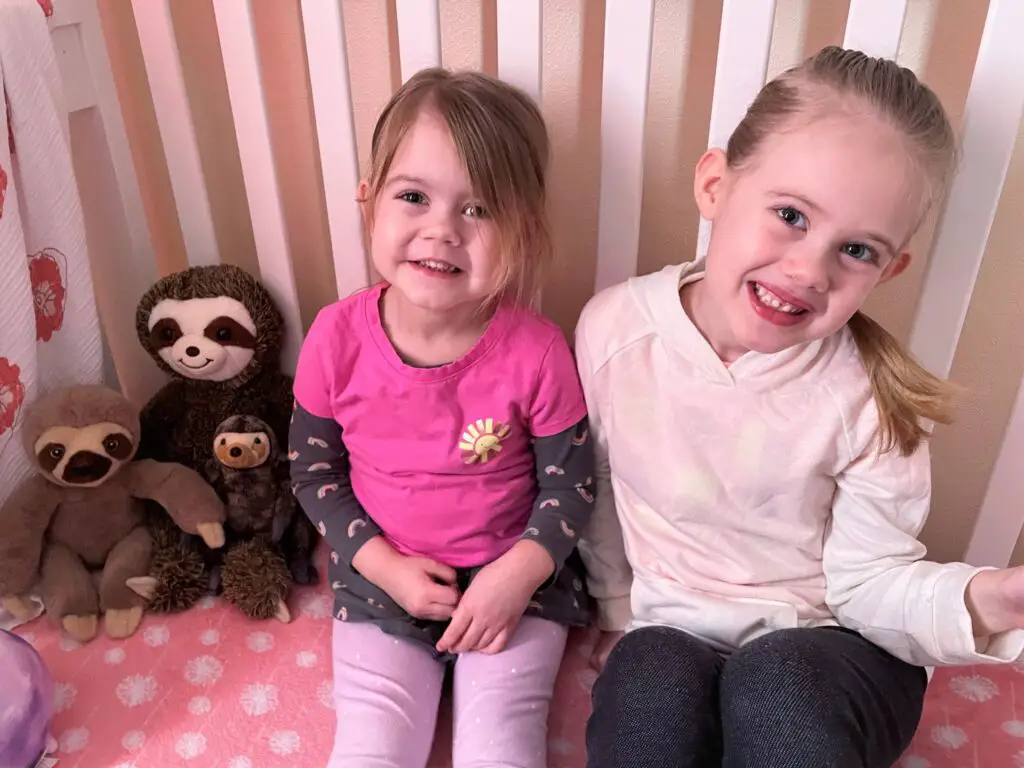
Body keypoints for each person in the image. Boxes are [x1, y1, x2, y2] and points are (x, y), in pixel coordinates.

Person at [574, 45, 1024, 768]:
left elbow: (870, 585)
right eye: (790, 215)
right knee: (650, 682)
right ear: (716, 185)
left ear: (891, 268)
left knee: (774, 682)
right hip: (675, 628)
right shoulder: (615, 332)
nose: (808, 270)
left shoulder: (868, 399)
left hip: (831, 650)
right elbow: (597, 487)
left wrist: (989, 600)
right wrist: (616, 609)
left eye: (857, 251)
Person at [289, 67, 594, 768]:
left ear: (524, 228)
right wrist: (384, 566)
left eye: (478, 209)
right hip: (380, 581)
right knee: (370, 745)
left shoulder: (538, 350)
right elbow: (313, 474)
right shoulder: (334, 338)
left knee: (501, 745)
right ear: (370, 200)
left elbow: (571, 486)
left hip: (515, 585)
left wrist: (517, 574)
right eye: (414, 197)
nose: (442, 231)